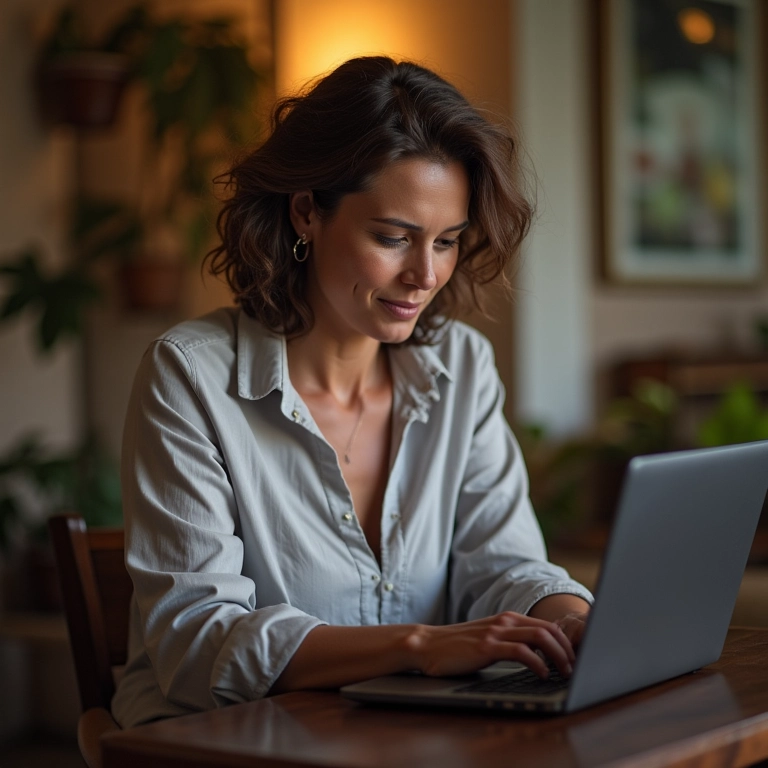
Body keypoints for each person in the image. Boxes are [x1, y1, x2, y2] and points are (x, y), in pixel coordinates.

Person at [112, 56, 593, 728]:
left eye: (448, 241)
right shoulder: (191, 376)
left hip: (408, 734)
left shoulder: (462, 366)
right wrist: (420, 648)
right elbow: (196, 644)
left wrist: (573, 622)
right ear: (306, 212)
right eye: (393, 238)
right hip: (222, 738)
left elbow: (504, 563)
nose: (425, 275)